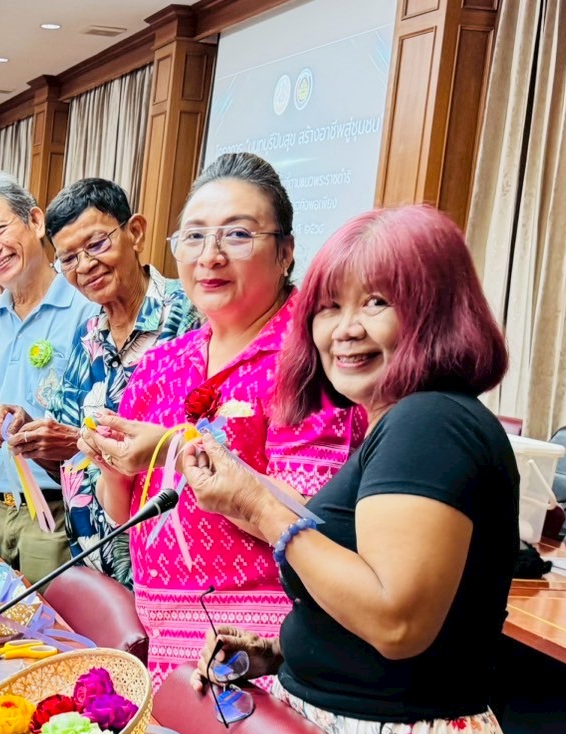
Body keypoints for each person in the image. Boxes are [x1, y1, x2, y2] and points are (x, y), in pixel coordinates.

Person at [179, 204, 516, 734]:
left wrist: (261, 509)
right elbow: (367, 587)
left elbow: (397, 621)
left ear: (437, 312)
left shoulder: (430, 424)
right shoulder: (403, 420)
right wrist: (279, 650)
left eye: (377, 302)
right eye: (330, 306)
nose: (345, 329)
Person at [80, 153, 362, 684]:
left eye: (237, 235)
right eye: (194, 237)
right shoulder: (163, 362)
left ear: (285, 253)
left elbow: (311, 521)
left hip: (258, 650)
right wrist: (111, 463)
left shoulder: (310, 362)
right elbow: (122, 512)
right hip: (164, 639)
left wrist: (172, 449)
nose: (210, 256)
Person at [42, 177, 199, 587]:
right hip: (90, 560)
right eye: (68, 259)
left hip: (161, 567)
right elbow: (68, 443)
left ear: (136, 232)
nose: (85, 266)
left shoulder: (190, 317)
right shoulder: (88, 335)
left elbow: (207, 443)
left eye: (96, 244)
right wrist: (32, 433)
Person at [0, 170, 93, 584]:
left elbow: (99, 424)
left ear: (36, 222)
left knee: (48, 624)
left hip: (56, 514)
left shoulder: (86, 309)